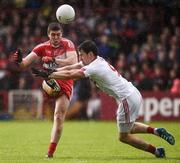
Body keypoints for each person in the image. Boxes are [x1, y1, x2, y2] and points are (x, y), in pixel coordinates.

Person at [32, 40, 175, 158]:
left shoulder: (94, 67)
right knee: (129, 127)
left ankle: (157, 152)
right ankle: (157, 131)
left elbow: (73, 74)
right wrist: (51, 72)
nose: (80, 58)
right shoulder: (96, 61)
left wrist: (50, 76)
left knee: (123, 137)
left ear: (90, 54)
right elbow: (73, 67)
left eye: (81, 55)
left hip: (127, 99)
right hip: (133, 93)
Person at [12, 22, 78, 158]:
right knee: (49, 86)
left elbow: (73, 61)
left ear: (61, 34)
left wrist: (54, 59)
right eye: (53, 35)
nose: (56, 37)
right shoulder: (42, 47)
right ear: (48, 35)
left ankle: (50, 152)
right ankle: (48, 95)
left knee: (59, 116)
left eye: (58, 34)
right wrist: (19, 60)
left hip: (65, 80)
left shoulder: (68, 43)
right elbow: (25, 63)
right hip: (49, 80)